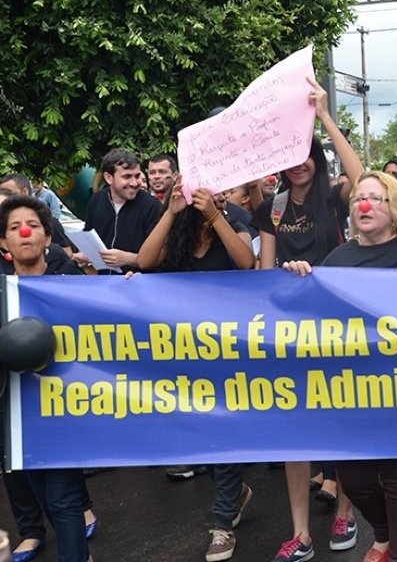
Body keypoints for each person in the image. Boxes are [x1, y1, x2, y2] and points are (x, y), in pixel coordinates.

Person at [284, 171, 397, 562]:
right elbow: (314, 321)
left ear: (394, 207)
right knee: (355, 480)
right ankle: (386, 533)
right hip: (352, 393)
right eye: (358, 198)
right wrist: (299, 280)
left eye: (375, 198)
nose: (364, 205)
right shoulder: (336, 261)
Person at [249, 78, 364, 562]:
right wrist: (283, 277)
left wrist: (323, 117)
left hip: (339, 323)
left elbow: (361, 178)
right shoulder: (271, 208)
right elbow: (265, 271)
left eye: (305, 152)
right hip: (291, 331)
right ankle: (301, 533)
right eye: (290, 155)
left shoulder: (336, 195)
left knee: (343, 424)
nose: (299, 163)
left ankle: (347, 512)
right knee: (295, 431)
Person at [137, 179, 254, 562]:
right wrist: (171, 212)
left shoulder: (233, 222)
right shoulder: (180, 231)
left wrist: (215, 214)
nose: (213, 195)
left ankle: (222, 525)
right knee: (203, 433)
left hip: (230, 351)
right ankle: (234, 492)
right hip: (189, 354)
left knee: (225, 433)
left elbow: (246, 260)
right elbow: (145, 260)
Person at [0, 195, 90, 562]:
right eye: (13, 228)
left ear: (47, 237)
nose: (24, 232)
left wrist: (128, 286)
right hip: (21, 413)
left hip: (65, 408)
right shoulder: (1, 294)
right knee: (43, 496)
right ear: (4, 243)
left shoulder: (69, 279)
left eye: (33, 225)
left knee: (64, 497)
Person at [81, 149, 161, 273]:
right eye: (127, 176)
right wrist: (84, 255)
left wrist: (127, 258)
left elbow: (160, 257)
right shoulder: (96, 200)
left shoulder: (152, 206)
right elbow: (90, 236)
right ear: (109, 178)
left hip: (139, 283)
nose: (135, 183)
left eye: (137, 176)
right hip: (105, 284)